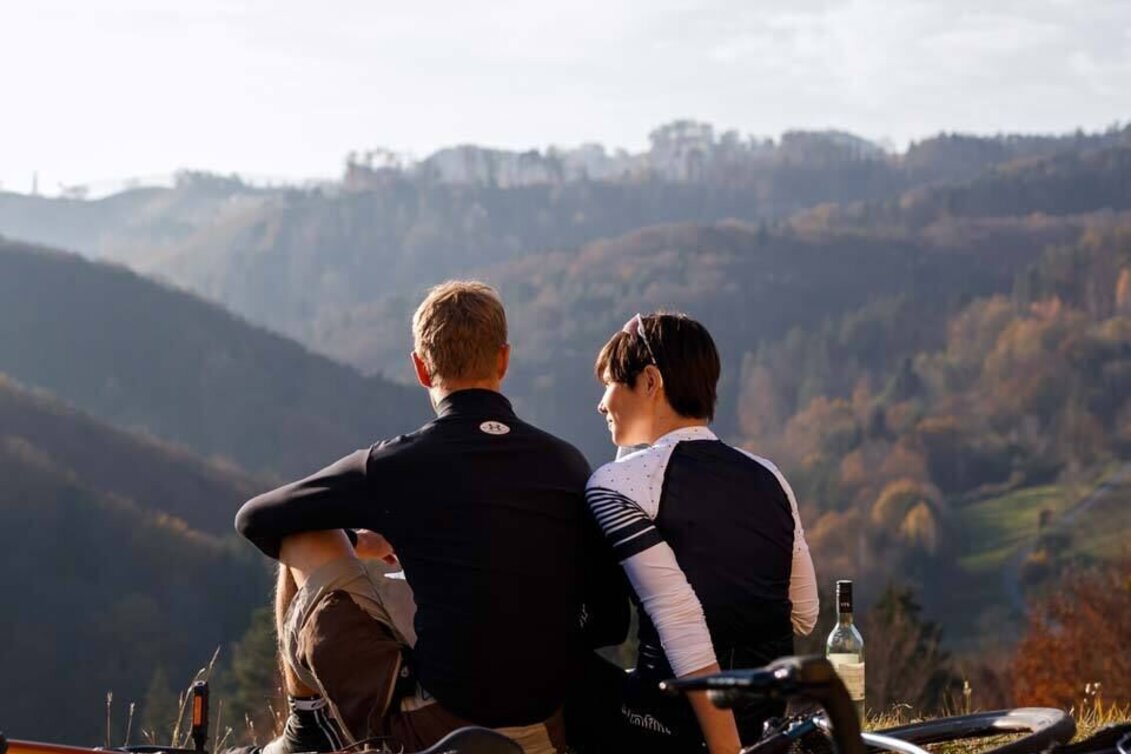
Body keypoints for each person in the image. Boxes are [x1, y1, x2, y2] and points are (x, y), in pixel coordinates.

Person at [235, 281, 628, 754]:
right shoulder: (565, 462)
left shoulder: (393, 465)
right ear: (503, 360)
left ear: (421, 369)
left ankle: (304, 729)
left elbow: (256, 518)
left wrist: (361, 544)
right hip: (545, 728)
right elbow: (609, 622)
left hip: (433, 731)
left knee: (301, 534)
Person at [574, 312, 819, 754]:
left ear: (650, 382)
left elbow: (680, 619)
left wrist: (726, 751)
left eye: (609, 382)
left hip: (670, 727)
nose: (602, 403)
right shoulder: (770, 477)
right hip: (767, 727)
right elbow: (803, 612)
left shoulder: (615, 486)